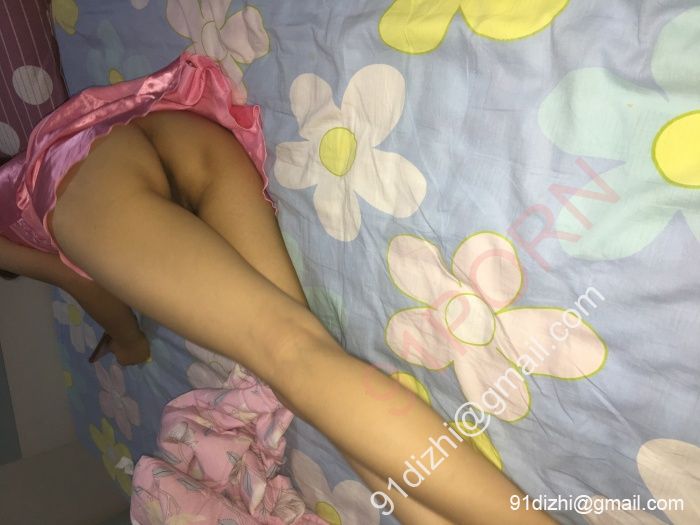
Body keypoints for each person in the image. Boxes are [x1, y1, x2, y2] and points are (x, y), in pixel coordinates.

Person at [0, 52, 552, 525]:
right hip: (194, 142)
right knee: (308, 366)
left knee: (289, 355)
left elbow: (75, 278)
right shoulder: (33, 153)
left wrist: (128, 341)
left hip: (91, 188)